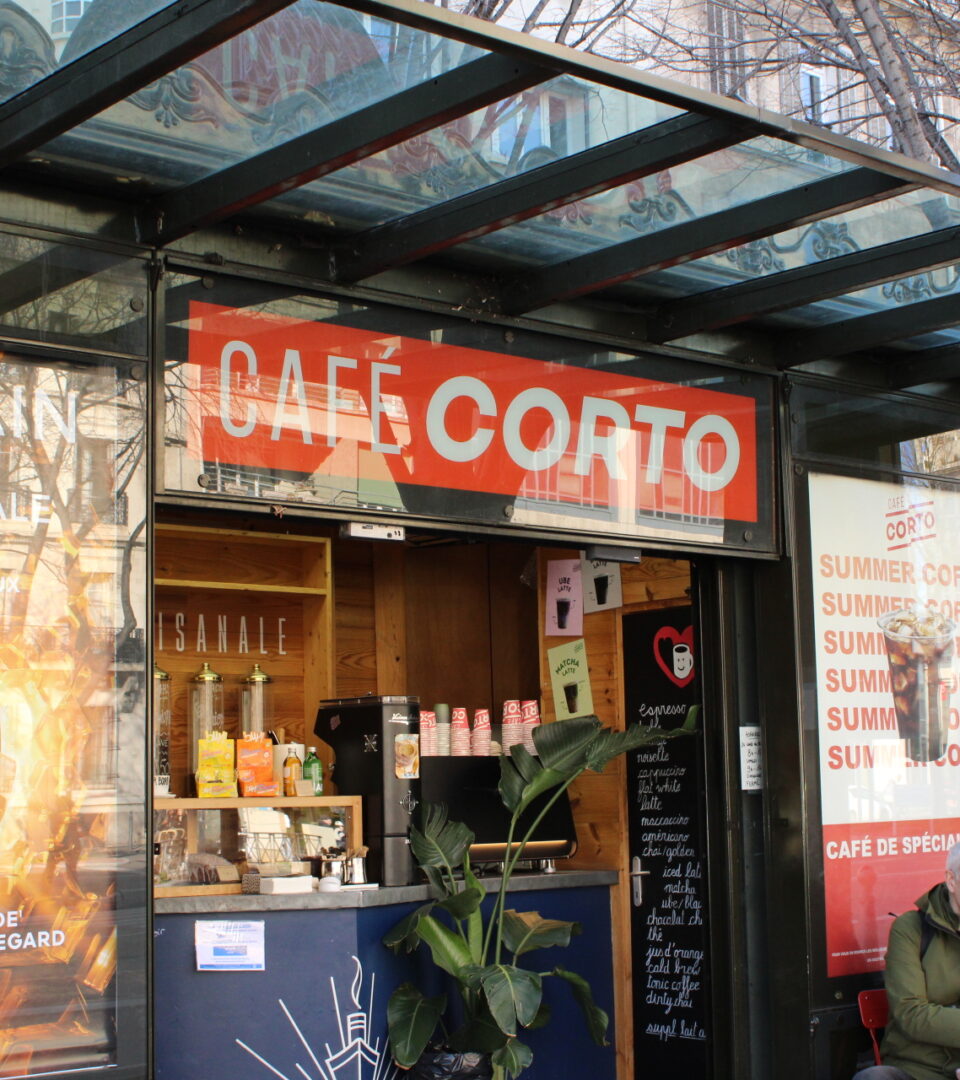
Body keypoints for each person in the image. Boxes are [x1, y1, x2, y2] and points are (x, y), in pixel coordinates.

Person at [854, 841, 960, 1080]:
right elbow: (911, 1014)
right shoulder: (911, 929)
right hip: (916, 1069)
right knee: (873, 1078)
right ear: (951, 880)